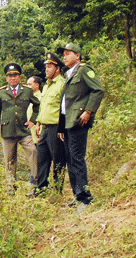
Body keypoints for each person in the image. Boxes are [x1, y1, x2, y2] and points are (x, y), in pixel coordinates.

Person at [56, 43, 104, 209]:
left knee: (77, 158)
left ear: (77, 55)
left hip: (78, 120)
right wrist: (61, 127)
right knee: (70, 159)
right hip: (68, 123)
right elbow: (64, 105)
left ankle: (85, 197)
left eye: (68, 53)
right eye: (64, 54)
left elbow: (98, 90)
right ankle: (77, 195)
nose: (64, 57)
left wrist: (88, 111)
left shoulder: (83, 70)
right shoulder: (68, 74)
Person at [0, 63, 40, 195]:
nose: (12, 78)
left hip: (23, 130)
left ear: (19, 77)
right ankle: (11, 187)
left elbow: (37, 105)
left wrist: (33, 120)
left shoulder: (27, 91)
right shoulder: (1, 92)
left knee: (33, 152)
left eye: (15, 75)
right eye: (10, 76)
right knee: (9, 160)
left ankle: (35, 183)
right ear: (6, 78)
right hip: (7, 131)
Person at [31, 52, 67, 196]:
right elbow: (43, 106)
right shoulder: (46, 86)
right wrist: (38, 122)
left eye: (50, 66)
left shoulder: (62, 85)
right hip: (44, 128)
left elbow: (64, 108)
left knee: (58, 160)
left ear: (57, 68)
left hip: (56, 128)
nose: (46, 69)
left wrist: (62, 128)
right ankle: (41, 190)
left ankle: (58, 191)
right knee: (42, 160)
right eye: (46, 66)